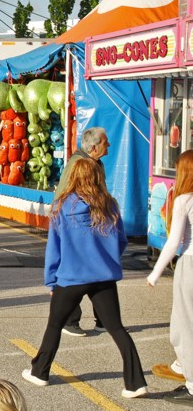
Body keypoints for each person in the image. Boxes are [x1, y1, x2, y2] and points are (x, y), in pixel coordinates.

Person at [23, 157, 148, 398]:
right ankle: (135, 382)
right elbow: (121, 241)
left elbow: (54, 249)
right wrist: (106, 257)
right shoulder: (110, 206)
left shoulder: (62, 206)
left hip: (71, 276)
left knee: (55, 325)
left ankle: (40, 372)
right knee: (116, 328)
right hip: (103, 276)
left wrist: (51, 279)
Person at [147, 149, 193, 406]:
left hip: (190, 264)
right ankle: (181, 365)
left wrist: (155, 273)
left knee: (183, 324)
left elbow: (174, 241)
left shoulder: (184, 200)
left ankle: (191, 384)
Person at [54, 127, 110, 337]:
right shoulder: (77, 164)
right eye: (106, 143)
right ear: (94, 147)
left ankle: (103, 319)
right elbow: (63, 195)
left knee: (97, 272)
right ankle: (69, 320)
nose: (109, 146)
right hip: (78, 228)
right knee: (76, 274)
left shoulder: (97, 163)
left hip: (93, 227)